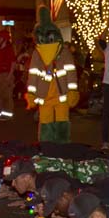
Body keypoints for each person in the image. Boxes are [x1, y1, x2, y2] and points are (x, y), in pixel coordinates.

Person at [27, 8, 79, 143]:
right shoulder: (37, 54)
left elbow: (71, 72)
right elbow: (33, 74)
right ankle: (48, 148)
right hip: (45, 95)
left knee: (61, 122)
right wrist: (31, 93)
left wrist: (72, 90)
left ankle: (60, 148)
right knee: (46, 124)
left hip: (61, 94)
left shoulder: (64, 52)